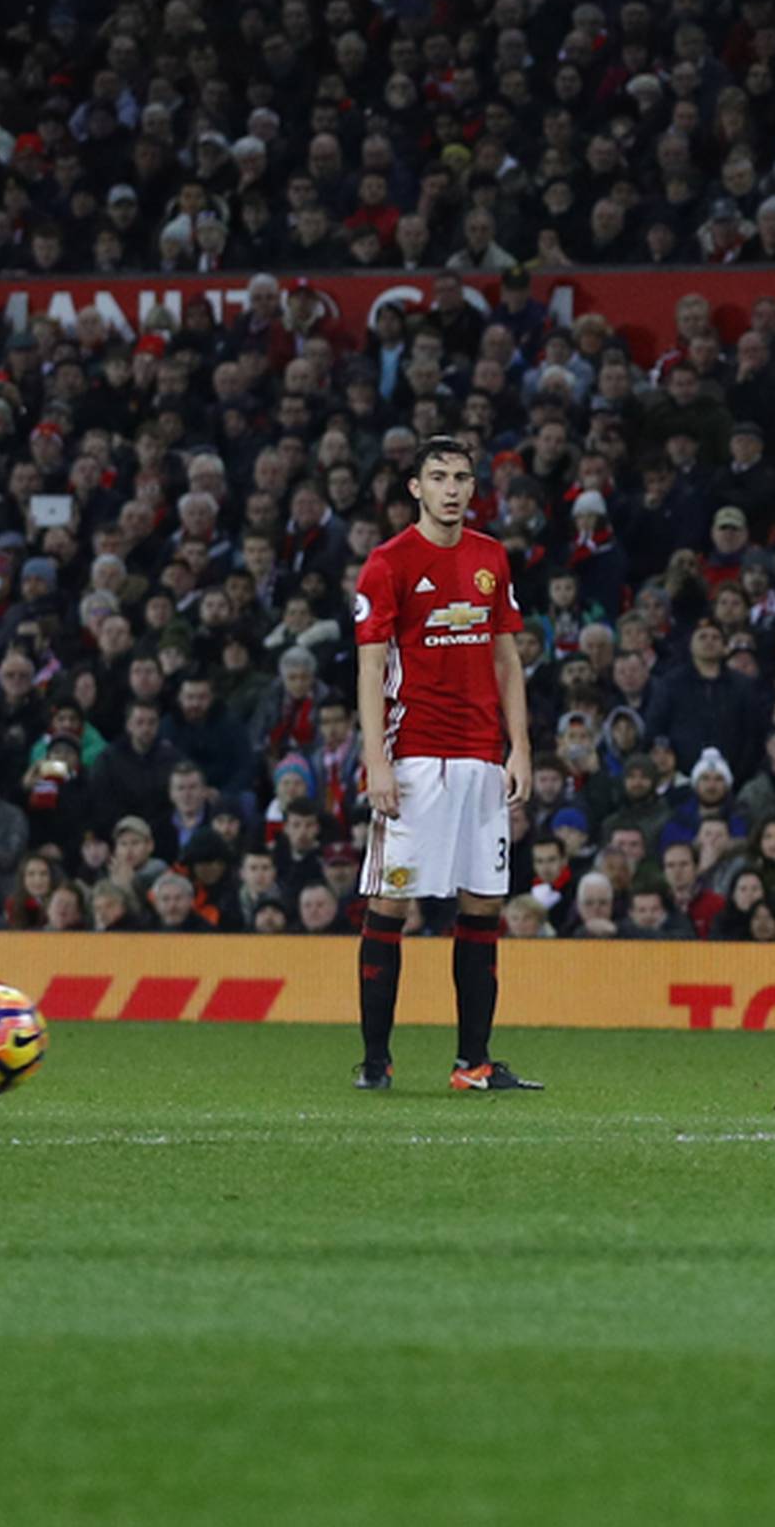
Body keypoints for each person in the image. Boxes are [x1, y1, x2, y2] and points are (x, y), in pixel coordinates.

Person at [352, 435, 542, 1094]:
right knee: (391, 900)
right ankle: (376, 1062)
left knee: (484, 902)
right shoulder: (388, 562)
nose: (452, 488)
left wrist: (519, 745)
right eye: (438, 477)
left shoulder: (492, 557)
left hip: (481, 760)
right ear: (416, 488)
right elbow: (371, 665)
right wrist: (376, 757)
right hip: (415, 759)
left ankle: (475, 1064)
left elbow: (506, 658)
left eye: (461, 476)